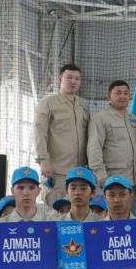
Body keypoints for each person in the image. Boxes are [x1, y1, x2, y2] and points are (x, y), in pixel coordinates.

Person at [35, 64, 91, 204]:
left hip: (80, 172)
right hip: (58, 171)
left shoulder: (83, 105)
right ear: (60, 78)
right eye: (69, 77)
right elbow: (39, 132)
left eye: (77, 79)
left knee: (78, 212)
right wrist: (43, 160)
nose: (73, 81)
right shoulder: (48, 103)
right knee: (57, 211)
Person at [87, 80, 136, 187]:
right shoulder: (100, 118)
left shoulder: (134, 119)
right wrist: (100, 174)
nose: (122, 96)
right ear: (108, 96)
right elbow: (94, 147)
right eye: (118, 93)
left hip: (133, 179)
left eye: (126, 93)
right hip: (111, 179)